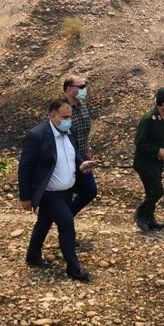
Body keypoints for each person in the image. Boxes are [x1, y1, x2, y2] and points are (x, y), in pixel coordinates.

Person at [18, 98, 97, 281]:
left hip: (66, 190)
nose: (69, 120)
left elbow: (72, 155)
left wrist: (82, 164)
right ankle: (73, 268)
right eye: (65, 117)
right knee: (67, 224)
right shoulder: (36, 135)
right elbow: (25, 168)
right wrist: (25, 197)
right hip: (49, 193)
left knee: (44, 222)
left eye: (70, 116)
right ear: (52, 116)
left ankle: (32, 256)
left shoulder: (68, 132)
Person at [133, 87, 164, 232]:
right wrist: (157, 151)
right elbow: (139, 142)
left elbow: (163, 137)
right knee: (157, 191)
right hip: (145, 162)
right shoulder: (149, 118)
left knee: (151, 191)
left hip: (157, 162)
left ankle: (150, 218)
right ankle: (140, 215)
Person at [63, 75, 97, 220]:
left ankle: (65, 218)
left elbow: (84, 131)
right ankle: (65, 224)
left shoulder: (82, 105)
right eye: (81, 87)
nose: (85, 90)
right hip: (66, 160)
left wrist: (88, 152)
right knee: (67, 194)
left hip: (82, 157)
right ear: (70, 89)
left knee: (90, 190)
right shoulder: (61, 109)